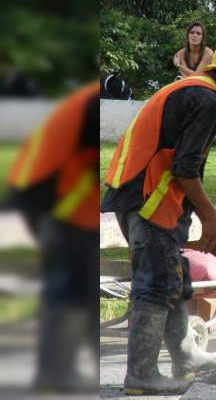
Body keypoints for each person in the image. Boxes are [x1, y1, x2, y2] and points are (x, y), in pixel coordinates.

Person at [101, 34, 216, 395]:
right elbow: (185, 168)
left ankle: (185, 357)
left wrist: (191, 211)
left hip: (142, 191)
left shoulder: (200, 92)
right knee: (155, 285)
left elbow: (182, 163)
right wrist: (211, 216)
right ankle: (141, 375)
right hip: (149, 197)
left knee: (172, 277)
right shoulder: (208, 99)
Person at [6, 83, 100, 394]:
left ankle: (63, 369)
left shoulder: (87, 100)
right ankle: (55, 372)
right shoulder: (91, 105)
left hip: (55, 198)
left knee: (76, 286)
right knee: (67, 288)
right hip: (59, 203)